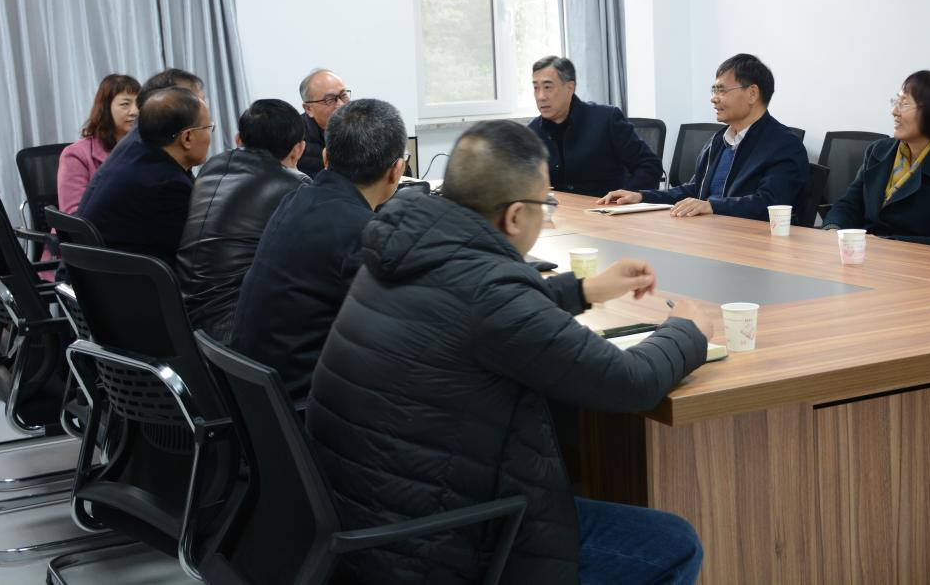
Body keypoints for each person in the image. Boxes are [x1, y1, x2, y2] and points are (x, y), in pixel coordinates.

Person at [307, 119, 711, 585]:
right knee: (674, 543)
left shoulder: (405, 249)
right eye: (546, 203)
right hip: (436, 546)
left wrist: (583, 290)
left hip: (368, 513)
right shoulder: (488, 294)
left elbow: (485, 310)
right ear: (516, 216)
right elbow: (629, 382)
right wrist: (688, 331)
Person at [230, 98, 404, 400]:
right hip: (304, 405)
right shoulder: (361, 232)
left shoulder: (296, 199)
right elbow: (397, 333)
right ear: (397, 170)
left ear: (325, 158)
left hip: (258, 395)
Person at [598, 53, 808, 221]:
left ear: (752, 93)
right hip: (712, 234)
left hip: (753, 243)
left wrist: (711, 205)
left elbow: (770, 204)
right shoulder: (718, 141)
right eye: (713, 91)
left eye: (721, 91)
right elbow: (695, 190)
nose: (713, 99)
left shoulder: (784, 145)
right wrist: (642, 196)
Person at [175, 99, 309, 341]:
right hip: (232, 330)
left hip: (180, 318)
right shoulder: (295, 186)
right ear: (298, 149)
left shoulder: (213, 165)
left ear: (239, 139)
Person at [823, 71, 930, 249]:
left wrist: (885, 245)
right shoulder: (879, 150)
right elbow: (849, 204)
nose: (894, 111)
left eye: (904, 104)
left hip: (918, 262)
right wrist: (833, 228)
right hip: (863, 253)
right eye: (896, 102)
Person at [77, 87, 213, 267]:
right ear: (187, 138)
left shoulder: (134, 152)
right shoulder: (168, 186)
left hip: (91, 274)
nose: (210, 136)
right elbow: (198, 254)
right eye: (208, 128)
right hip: (124, 279)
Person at [527, 56, 662, 196]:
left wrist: (626, 196)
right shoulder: (531, 133)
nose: (541, 96)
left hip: (606, 206)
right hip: (559, 208)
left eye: (547, 87)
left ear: (570, 87)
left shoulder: (606, 119)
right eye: (536, 88)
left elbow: (650, 165)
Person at [56, 73, 140, 214]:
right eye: (125, 104)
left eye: (139, 104)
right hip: (98, 227)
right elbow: (74, 215)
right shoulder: (76, 154)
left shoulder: (147, 148)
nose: (135, 111)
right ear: (106, 108)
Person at [297, 68, 350, 178]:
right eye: (329, 100)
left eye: (343, 95)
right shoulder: (296, 144)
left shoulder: (363, 127)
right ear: (308, 109)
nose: (341, 105)